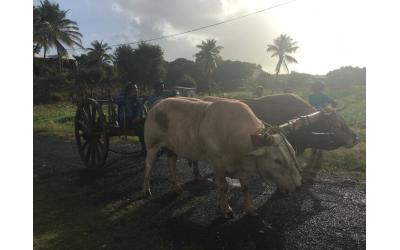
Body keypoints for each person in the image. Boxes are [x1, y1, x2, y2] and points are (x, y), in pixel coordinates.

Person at [114, 83, 146, 155]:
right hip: (126, 121)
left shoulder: (138, 100)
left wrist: (139, 117)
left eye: (137, 89)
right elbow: (115, 99)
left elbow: (141, 112)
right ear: (129, 91)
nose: (136, 90)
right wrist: (125, 95)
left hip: (137, 120)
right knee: (140, 129)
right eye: (134, 89)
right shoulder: (123, 99)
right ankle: (145, 149)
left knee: (148, 124)